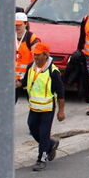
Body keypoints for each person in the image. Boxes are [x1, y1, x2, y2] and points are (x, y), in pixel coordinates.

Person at [17, 42, 65, 171]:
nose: (35, 57)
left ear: (45, 55)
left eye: (38, 55)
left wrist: (61, 111)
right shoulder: (30, 67)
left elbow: (60, 92)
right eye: (34, 55)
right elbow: (24, 81)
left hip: (47, 108)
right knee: (33, 129)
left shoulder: (53, 71)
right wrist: (16, 83)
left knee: (43, 134)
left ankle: (41, 159)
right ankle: (51, 144)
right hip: (33, 107)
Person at [14, 12, 40, 84]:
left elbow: (37, 57)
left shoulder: (31, 38)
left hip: (27, 77)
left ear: (25, 24)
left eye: (19, 24)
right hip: (12, 77)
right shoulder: (10, 36)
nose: (17, 27)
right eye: (15, 24)